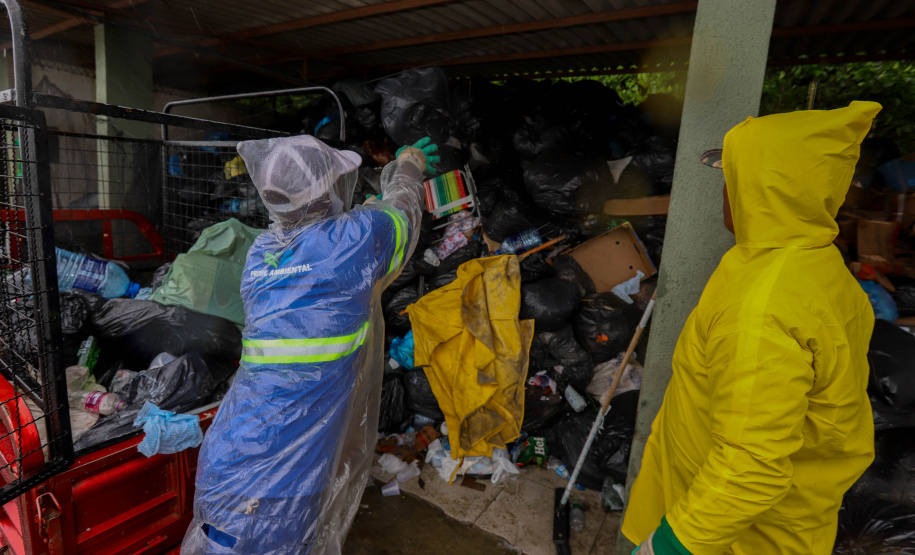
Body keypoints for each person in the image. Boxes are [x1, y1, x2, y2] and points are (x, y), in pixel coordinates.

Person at [624, 101, 883, 555]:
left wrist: (668, 547)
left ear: (766, 188)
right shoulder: (810, 262)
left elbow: (751, 468)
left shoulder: (762, 311)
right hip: (750, 506)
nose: (725, 190)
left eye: (732, 177)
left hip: (735, 538)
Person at [181, 134, 439, 555]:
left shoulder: (261, 255)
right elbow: (404, 210)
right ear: (328, 190)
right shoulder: (359, 237)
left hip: (227, 455)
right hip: (280, 482)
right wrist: (408, 163)